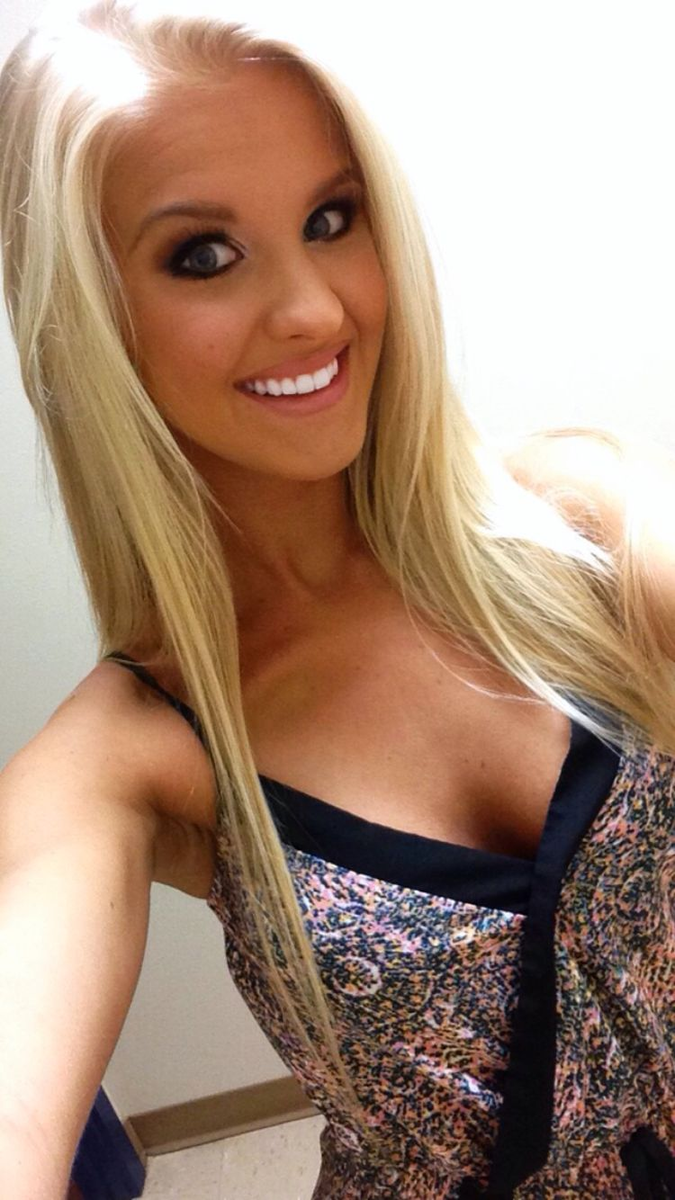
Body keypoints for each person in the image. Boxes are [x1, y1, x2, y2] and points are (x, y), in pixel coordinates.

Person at [0, 3, 674, 1197]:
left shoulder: (578, 524)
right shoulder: (132, 752)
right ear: (86, 316)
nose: (316, 310)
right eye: (202, 255)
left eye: (331, 219)